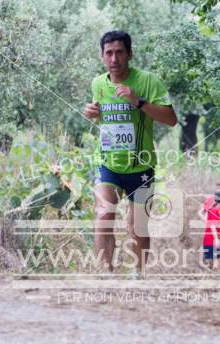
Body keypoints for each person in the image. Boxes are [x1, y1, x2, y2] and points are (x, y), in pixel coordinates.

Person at [83, 31, 177, 274]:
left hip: (141, 166)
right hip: (108, 164)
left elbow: (171, 119)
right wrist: (92, 113)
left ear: (130, 54)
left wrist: (140, 102)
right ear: (102, 56)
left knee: (138, 227)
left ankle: (138, 274)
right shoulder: (98, 83)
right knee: (104, 216)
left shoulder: (148, 81)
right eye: (109, 53)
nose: (114, 59)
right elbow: (105, 118)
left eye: (119, 52)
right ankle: (106, 273)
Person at [199, 182, 220, 269]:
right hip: (212, 228)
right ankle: (213, 265)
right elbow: (201, 212)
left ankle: (216, 266)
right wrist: (207, 221)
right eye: (219, 188)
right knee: (213, 246)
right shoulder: (210, 200)